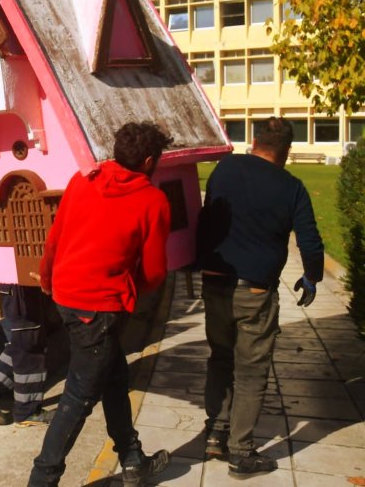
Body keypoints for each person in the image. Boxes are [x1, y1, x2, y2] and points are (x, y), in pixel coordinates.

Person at [28, 122, 174, 487]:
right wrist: (126, 293)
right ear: (149, 160)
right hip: (100, 308)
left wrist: (47, 280)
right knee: (77, 399)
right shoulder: (153, 200)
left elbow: (55, 237)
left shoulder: (83, 180)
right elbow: (155, 273)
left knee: (113, 375)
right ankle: (41, 480)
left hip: (66, 295)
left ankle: (133, 460)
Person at [196, 116, 324, 479]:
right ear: (286, 150)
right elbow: (310, 243)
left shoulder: (225, 168)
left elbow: (207, 217)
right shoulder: (291, 186)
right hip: (255, 289)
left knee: (220, 358)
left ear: (254, 141)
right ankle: (241, 451)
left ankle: (216, 434)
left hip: (216, 282)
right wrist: (311, 277)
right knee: (251, 372)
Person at [0, 285, 55, 427]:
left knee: (18, 345)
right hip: (18, 296)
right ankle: (26, 410)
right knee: (28, 345)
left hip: (6, 293)